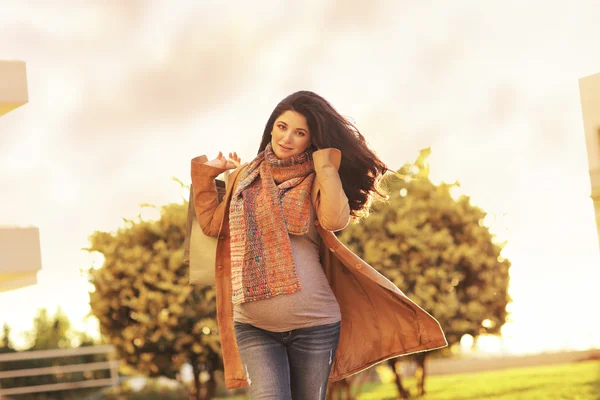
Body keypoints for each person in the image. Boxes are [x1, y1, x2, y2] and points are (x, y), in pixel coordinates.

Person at [187, 91, 447, 399]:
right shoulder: (244, 177)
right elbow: (212, 225)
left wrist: (325, 165)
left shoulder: (318, 179)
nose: (286, 138)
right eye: (282, 127)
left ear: (311, 140)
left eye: (299, 133)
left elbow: (335, 220)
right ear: (271, 127)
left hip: (315, 324)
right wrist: (208, 175)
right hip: (253, 325)